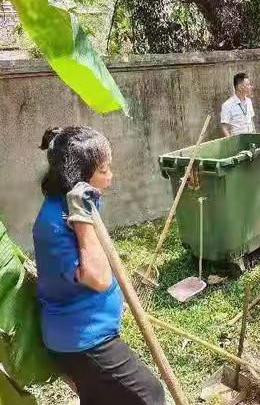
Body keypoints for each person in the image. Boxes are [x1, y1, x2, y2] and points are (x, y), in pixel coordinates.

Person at [33, 126, 165, 405]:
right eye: (104, 170)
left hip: (89, 332)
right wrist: (81, 219)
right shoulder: (56, 221)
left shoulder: (75, 202)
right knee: (150, 394)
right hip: (82, 341)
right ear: (79, 176)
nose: (111, 176)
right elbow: (99, 278)